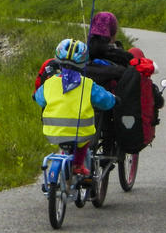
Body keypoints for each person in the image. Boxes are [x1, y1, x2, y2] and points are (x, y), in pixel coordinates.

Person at [33, 38, 117, 177]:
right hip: (79, 133)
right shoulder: (88, 84)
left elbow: (39, 100)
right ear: (83, 63)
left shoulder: (49, 83)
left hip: (52, 131)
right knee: (84, 139)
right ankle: (78, 165)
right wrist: (114, 100)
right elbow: (105, 101)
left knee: (65, 136)